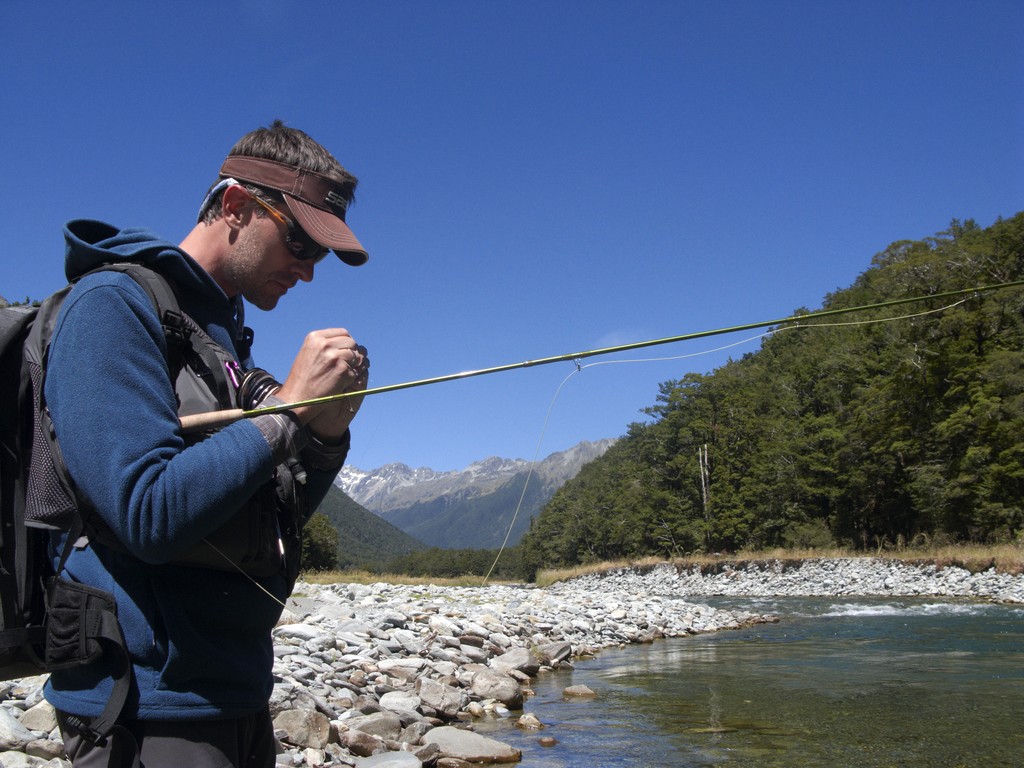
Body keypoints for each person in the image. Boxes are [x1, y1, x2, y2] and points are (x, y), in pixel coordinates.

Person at [41, 121, 370, 767]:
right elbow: (147, 514)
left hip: (233, 689)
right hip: (145, 703)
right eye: (300, 242)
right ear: (236, 206)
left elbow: (269, 521)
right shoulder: (112, 306)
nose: (307, 271)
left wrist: (324, 439)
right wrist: (287, 414)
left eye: (321, 256)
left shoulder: (216, 342)